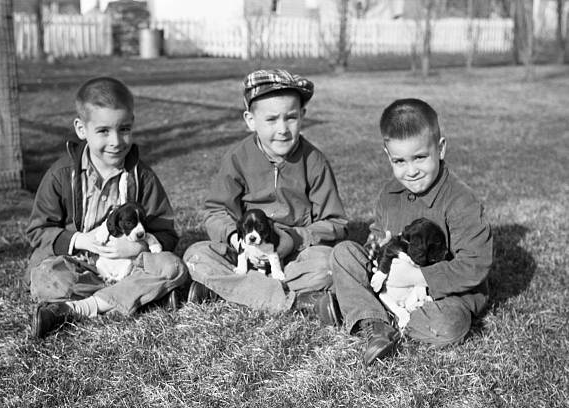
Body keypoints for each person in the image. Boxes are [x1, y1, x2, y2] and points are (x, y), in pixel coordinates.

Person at [330, 98, 492, 365]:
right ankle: (376, 323)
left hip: (437, 296)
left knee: (449, 324)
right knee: (343, 253)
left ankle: (367, 309)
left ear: (440, 149)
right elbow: (378, 234)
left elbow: (475, 264)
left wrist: (418, 276)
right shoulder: (388, 194)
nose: (411, 170)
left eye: (419, 157)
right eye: (400, 161)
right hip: (389, 283)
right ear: (387, 156)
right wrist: (376, 245)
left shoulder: (461, 201)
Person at [26, 76, 188, 338]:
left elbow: (167, 232)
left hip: (129, 264)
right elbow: (37, 231)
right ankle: (137, 297)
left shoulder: (142, 177)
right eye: (103, 131)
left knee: (173, 266)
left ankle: (82, 307)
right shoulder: (60, 174)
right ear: (81, 129)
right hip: (81, 264)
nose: (116, 141)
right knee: (47, 276)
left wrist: (138, 246)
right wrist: (79, 240)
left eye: (124, 129)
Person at [183, 69, 348, 316]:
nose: (282, 129)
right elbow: (216, 211)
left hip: (293, 256)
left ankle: (228, 291)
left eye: (291, 118)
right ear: (251, 120)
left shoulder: (314, 161)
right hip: (244, 254)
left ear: (303, 116)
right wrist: (234, 238)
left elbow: (336, 223)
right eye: (271, 120)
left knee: (329, 265)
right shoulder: (237, 158)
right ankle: (297, 300)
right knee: (195, 255)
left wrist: (294, 238)